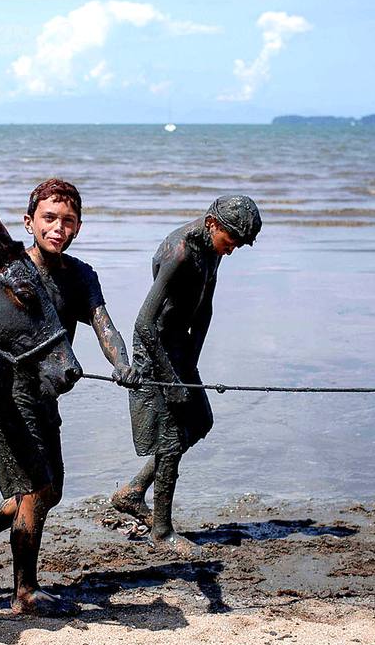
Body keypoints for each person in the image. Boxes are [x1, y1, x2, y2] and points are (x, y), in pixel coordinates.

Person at [0, 179, 141, 615]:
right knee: (36, 491)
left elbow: (103, 325)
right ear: (28, 221)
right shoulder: (13, 273)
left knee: (45, 493)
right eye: (49, 218)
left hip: (44, 399)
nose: (58, 228)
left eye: (68, 221)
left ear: (79, 226)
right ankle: (25, 592)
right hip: (5, 397)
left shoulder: (80, 276)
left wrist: (122, 364)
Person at [110, 194, 262, 556]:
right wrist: (171, 379)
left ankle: (133, 491)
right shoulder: (180, 252)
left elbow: (205, 308)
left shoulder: (213, 250)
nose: (232, 250)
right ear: (212, 225)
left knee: (200, 422)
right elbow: (144, 322)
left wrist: (191, 363)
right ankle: (161, 531)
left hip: (179, 347)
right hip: (154, 348)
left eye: (239, 245)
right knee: (173, 438)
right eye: (232, 242)